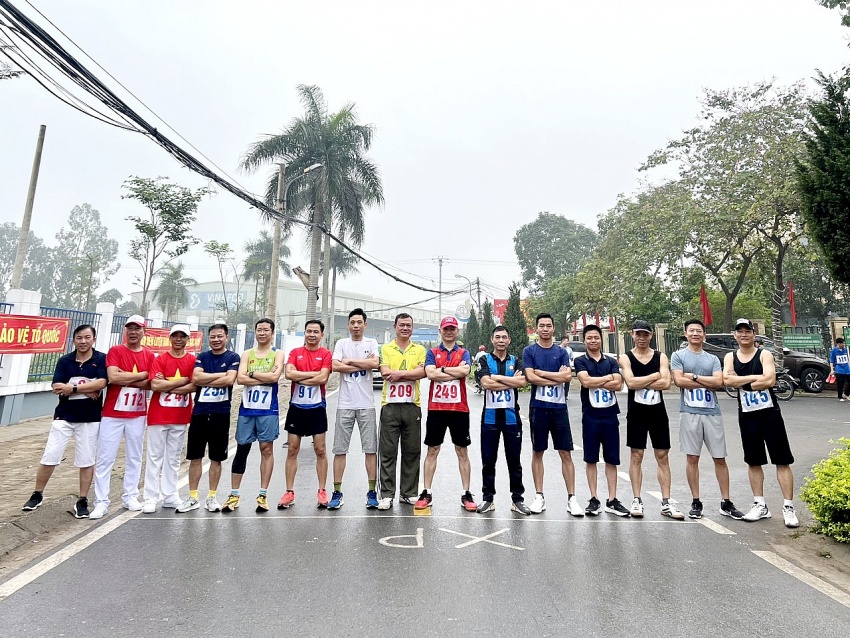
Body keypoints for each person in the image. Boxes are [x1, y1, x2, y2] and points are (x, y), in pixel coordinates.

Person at [22, 324, 108, 518]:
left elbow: (102, 382)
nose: (83, 341)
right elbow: (57, 386)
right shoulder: (65, 361)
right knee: (50, 455)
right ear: (74, 340)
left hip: (90, 418)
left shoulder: (101, 359)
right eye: (79, 337)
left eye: (87, 337)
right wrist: (86, 387)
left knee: (86, 460)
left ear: (93, 339)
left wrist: (74, 388)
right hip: (64, 416)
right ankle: (37, 494)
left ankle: (82, 500)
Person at [723, 318, 799, 528]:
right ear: (735, 335)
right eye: (740, 331)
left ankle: (788, 507)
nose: (744, 334)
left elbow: (770, 380)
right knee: (753, 461)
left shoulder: (763, 354)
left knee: (781, 459)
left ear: (754, 334)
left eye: (748, 331)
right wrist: (755, 379)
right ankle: (760, 504)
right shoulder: (730, 357)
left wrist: (742, 380)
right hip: (747, 414)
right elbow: (727, 380)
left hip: (770, 413)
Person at [670, 319, 744, 520]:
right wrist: (704, 381)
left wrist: (693, 377)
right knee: (692, 458)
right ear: (686, 334)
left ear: (704, 334)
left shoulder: (712, 359)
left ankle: (726, 502)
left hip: (712, 413)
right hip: (689, 412)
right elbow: (678, 380)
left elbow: (718, 382)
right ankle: (696, 501)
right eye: (691, 330)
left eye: (699, 331)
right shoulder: (678, 356)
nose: (695, 333)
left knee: (719, 457)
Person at [90, 315, 155, 520]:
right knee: (105, 458)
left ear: (144, 332)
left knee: (134, 457)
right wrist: (141, 375)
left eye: (138, 328)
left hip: (137, 414)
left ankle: (130, 496)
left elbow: (151, 384)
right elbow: (113, 377)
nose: (133, 332)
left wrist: (129, 377)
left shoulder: (150, 356)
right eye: (130, 328)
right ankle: (101, 502)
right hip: (112, 414)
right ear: (125, 331)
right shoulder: (116, 351)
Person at [619, 320, 684, 520]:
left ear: (651, 336)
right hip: (637, 412)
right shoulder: (626, 357)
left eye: (645, 334)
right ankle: (636, 499)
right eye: (638, 334)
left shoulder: (660, 356)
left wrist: (643, 381)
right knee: (637, 455)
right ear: (632, 335)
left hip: (657, 411)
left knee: (662, 455)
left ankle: (666, 501)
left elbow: (666, 383)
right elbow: (630, 382)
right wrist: (654, 375)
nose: (641, 338)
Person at [522, 313, 585, 517]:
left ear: (553, 328)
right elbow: (530, 377)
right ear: (537, 328)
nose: (546, 329)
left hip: (559, 409)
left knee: (565, 453)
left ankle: (572, 498)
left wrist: (543, 374)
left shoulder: (562, 352)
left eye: (549, 325)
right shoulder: (529, 351)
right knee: (537, 452)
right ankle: (539, 496)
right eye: (542, 326)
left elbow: (567, 376)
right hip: (538, 408)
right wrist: (553, 377)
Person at [223, 318, 285, 513]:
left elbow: (275, 377)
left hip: (268, 409)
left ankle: (263, 495)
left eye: (266, 330)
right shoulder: (247, 354)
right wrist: (259, 376)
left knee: (266, 449)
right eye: (259, 330)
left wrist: (251, 374)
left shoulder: (278, 354)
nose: (262, 333)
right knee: (242, 449)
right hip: (247, 410)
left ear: (272, 333)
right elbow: (239, 379)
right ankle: (234, 495)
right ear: (255, 332)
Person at [176, 323, 240, 513]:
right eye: (213, 336)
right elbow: (196, 379)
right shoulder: (202, 357)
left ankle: (212, 497)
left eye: (220, 336)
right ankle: (193, 497)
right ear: (208, 338)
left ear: (226, 337)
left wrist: (208, 377)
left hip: (221, 413)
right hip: (200, 413)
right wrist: (220, 375)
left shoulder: (233, 357)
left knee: (216, 458)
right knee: (195, 457)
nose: (216, 340)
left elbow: (230, 380)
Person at [416, 316, 476, 511]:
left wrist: (443, 370)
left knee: (462, 450)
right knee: (432, 450)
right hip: (436, 409)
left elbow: (466, 371)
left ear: (457, 332)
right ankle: (426, 491)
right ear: (440, 331)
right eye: (445, 329)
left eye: (452, 329)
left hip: (459, 409)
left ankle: (466, 493)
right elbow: (431, 374)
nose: (449, 332)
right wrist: (453, 371)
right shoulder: (432, 352)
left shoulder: (464, 352)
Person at [475, 326, 531, 515]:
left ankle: (517, 499)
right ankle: (487, 499)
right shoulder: (484, 359)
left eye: (504, 337)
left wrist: (496, 378)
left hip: (511, 419)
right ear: (492, 339)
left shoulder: (515, 360)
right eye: (497, 337)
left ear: (509, 340)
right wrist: (508, 380)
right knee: (488, 461)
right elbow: (485, 383)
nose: (500, 340)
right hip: (489, 419)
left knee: (514, 462)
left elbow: (522, 382)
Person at [574, 324, 629, 516]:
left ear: (601, 339)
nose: (593, 340)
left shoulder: (611, 361)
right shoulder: (580, 361)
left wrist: (600, 380)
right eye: (589, 338)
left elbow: (619, 384)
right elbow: (586, 382)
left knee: (611, 459)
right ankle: (594, 498)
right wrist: (607, 380)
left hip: (610, 416)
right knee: (591, 459)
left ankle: (612, 499)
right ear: (585, 340)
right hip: (590, 417)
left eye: (596, 337)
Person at [329, 308, 380, 510]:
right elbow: (335, 366)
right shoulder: (342, 343)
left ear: (365, 325)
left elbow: (375, 363)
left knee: (370, 450)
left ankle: (371, 492)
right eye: (353, 322)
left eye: (359, 322)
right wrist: (362, 365)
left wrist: (349, 361)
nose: (356, 325)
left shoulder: (371, 343)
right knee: (340, 450)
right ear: (348, 325)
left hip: (366, 405)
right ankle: (337, 491)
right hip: (345, 405)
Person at [143, 324, 196, 514]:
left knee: (173, 458)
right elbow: (156, 384)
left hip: (180, 416)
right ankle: (150, 496)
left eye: (183, 336)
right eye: (175, 336)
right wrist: (182, 381)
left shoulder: (192, 360)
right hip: (159, 415)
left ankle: (170, 494)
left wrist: (169, 385)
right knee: (154, 457)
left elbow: (195, 385)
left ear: (187, 340)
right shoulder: (161, 359)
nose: (179, 339)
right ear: (170, 338)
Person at [279, 319, 332, 509]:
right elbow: (289, 375)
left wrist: (303, 374)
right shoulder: (295, 353)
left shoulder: (325, 354)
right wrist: (313, 375)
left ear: (321, 335)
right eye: (309, 331)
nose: (312, 334)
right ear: (305, 333)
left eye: (315, 332)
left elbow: (323, 378)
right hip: (297, 407)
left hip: (317, 407)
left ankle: (322, 490)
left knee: (321, 450)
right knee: (293, 449)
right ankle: (289, 492)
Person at [376, 313, 427, 510]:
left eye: (408, 325)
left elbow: (422, 373)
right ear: (395, 327)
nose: (405, 328)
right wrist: (409, 374)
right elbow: (385, 373)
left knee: (412, 451)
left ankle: (408, 493)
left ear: (412, 328)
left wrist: (399, 374)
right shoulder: (386, 348)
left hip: (412, 406)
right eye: (402, 325)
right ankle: (387, 495)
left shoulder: (420, 349)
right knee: (388, 452)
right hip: (389, 406)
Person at [829, 336, 850, 402]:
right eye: (842, 343)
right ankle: (840, 396)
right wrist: (832, 370)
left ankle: (846, 393)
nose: (843, 344)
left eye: (844, 343)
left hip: (847, 368)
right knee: (840, 384)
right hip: (839, 369)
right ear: (838, 344)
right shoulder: (834, 351)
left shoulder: (846, 350)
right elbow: (831, 361)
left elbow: (848, 358)